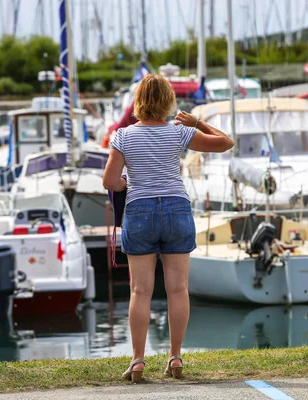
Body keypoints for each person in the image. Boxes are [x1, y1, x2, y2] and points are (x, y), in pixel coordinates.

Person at [103, 74, 233, 382]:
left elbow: (110, 181)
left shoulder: (122, 136)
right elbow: (226, 143)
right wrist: (198, 122)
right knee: (177, 289)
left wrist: (127, 183)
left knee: (140, 290)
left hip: (139, 211)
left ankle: (137, 360)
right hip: (176, 208)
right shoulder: (179, 132)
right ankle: (175, 357)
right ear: (168, 102)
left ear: (138, 101)